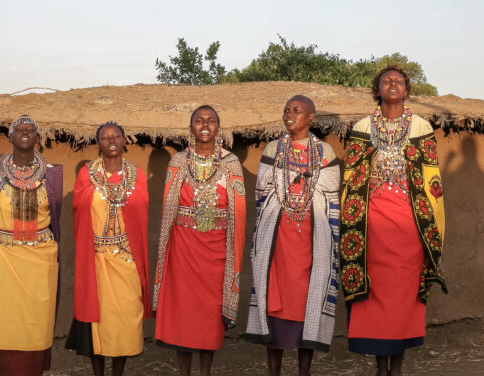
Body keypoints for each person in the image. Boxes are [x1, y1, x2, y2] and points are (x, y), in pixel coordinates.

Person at [340, 66, 447, 376]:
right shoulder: (362, 126)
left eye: (398, 80)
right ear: (378, 88)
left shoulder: (421, 126)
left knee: (404, 295)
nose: (392, 84)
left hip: (409, 223)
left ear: (407, 89)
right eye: (386, 80)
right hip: (370, 225)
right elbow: (351, 179)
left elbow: (431, 180)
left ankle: (397, 367)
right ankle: (379, 366)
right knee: (375, 295)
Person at [0, 115, 63, 376]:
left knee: (37, 323)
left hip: (41, 261)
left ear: (38, 138)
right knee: (7, 323)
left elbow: (56, 221)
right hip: (4, 258)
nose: (25, 133)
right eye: (19, 129)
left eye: (31, 130)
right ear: (10, 137)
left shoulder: (52, 175)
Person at [246, 95, 340, 376]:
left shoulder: (325, 152)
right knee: (274, 300)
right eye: (287, 110)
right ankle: (273, 371)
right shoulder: (273, 149)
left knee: (306, 304)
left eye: (297, 110)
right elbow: (261, 194)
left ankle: (304, 371)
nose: (290, 114)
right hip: (278, 242)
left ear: (310, 118)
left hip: (311, 242)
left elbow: (332, 197)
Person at [153, 105, 246, 376]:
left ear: (219, 127)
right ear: (190, 127)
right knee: (185, 315)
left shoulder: (230, 163)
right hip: (184, 247)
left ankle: (205, 372)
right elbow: (169, 208)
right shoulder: (179, 161)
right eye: (199, 120)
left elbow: (237, 213)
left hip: (217, 251)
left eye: (211, 120)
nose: (205, 125)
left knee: (209, 316)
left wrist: (232, 250)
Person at [65, 121, 150, 376]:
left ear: (125, 140)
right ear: (98, 143)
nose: (111, 140)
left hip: (126, 260)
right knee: (98, 323)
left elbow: (140, 215)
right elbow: (80, 215)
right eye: (105, 137)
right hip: (96, 260)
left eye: (116, 136)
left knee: (125, 320)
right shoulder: (86, 175)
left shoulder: (137, 175)